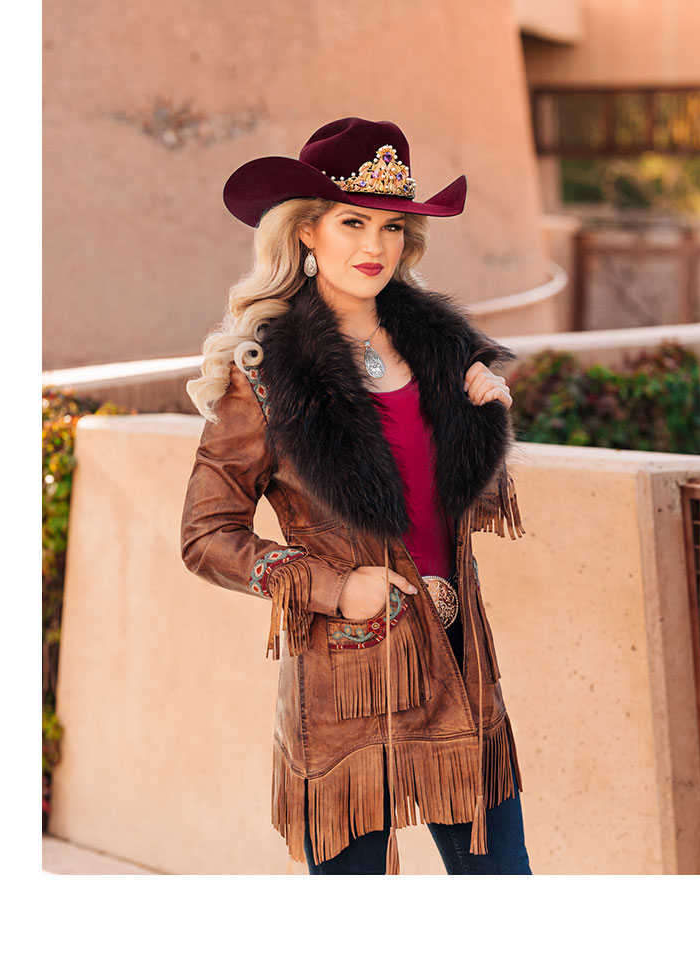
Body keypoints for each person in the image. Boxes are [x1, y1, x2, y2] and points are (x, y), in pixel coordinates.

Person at [182, 118, 530, 874]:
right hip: (347, 680)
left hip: (459, 663)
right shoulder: (265, 375)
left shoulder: (445, 357)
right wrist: (334, 588)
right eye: (352, 222)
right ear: (307, 232)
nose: (375, 244)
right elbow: (206, 535)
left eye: (392, 226)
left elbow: (456, 511)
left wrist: (487, 424)